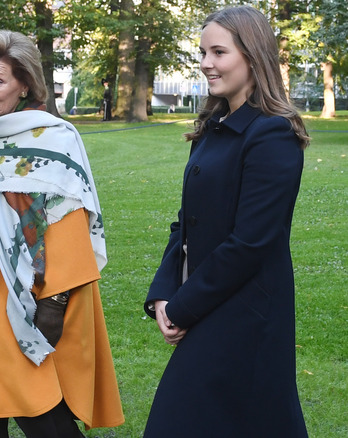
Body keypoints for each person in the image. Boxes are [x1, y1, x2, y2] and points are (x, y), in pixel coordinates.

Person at [0, 30, 124, 438]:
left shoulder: (55, 137)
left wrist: (52, 302)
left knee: (41, 411)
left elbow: (69, 220)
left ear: (24, 85)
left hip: (25, 297)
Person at [143, 6, 310, 437]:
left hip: (248, 314)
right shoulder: (214, 126)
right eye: (202, 52)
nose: (205, 63)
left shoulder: (273, 132)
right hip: (212, 303)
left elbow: (251, 242)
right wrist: (163, 293)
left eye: (219, 52)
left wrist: (183, 306)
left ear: (253, 57)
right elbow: (187, 222)